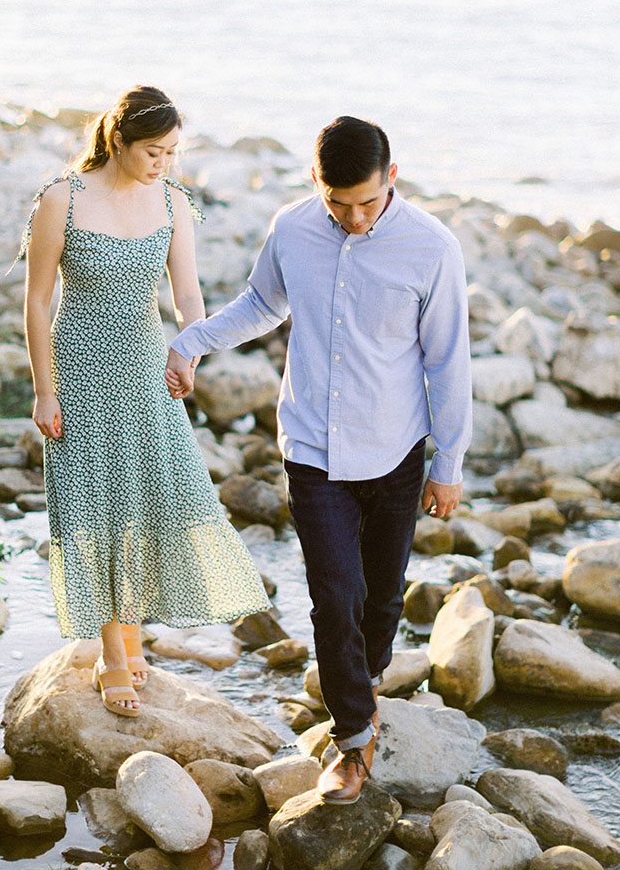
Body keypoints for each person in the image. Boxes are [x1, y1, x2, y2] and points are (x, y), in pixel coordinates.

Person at [166, 116, 472, 802]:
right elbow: (261, 304)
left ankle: (357, 686)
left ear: (392, 178)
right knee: (334, 599)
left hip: (395, 452)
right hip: (312, 448)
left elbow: (448, 360)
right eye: (339, 204)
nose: (355, 219)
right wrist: (191, 341)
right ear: (316, 183)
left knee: (381, 602)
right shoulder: (294, 229)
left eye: (367, 202)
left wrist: (448, 463)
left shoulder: (432, 248)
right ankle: (353, 737)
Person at [12, 85, 270, 718]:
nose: (163, 163)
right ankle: (113, 655)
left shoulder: (174, 202)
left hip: (146, 370)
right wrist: (44, 389)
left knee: (159, 497)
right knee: (94, 506)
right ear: (118, 142)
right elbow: (38, 302)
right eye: (153, 151)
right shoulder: (60, 198)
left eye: (174, 152)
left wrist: (191, 352)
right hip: (78, 371)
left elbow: (189, 295)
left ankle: (130, 633)